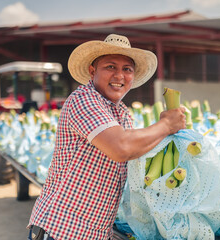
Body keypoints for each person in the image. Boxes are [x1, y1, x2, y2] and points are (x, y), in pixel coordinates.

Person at [27, 34, 186, 240]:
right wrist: (166, 124)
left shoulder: (122, 113)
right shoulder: (83, 99)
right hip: (62, 230)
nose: (119, 75)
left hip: (94, 234)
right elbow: (121, 148)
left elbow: (135, 150)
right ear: (93, 71)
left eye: (127, 69)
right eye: (111, 67)